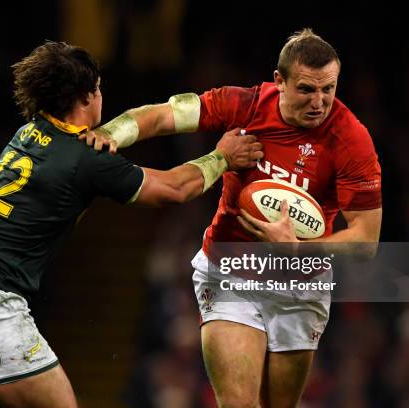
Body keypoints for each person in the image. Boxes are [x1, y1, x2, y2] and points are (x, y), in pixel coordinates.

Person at [0, 41, 263, 408]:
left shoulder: (26, 134)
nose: (103, 96)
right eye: (99, 89)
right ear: (85, 96)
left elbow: (65, 180)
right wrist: (221, 156)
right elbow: (175, 188)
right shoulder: (87, 160)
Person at [81, 28, 382, 407]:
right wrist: (110, 133)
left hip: (299, 285)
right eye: (307, 89)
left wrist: (300, 249)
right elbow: (159, 116)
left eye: (329, 89)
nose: (319, 102)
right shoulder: (245, 105)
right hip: (231, 271)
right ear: (280, 81)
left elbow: (366, 239)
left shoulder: (352, 140)